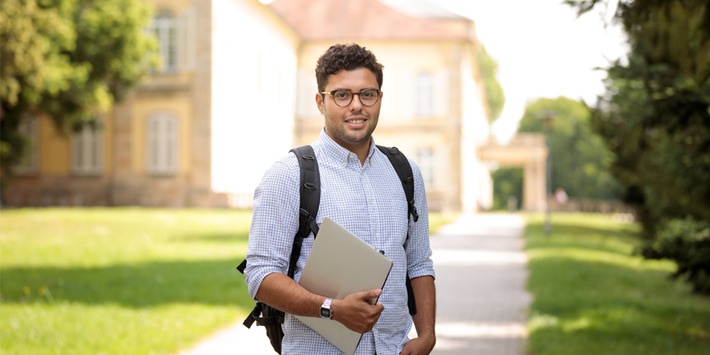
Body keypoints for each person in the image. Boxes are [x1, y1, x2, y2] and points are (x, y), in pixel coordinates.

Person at [244, 43, 436, 354]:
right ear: (320, 102)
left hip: (395, 348)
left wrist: (427, 334)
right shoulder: (289, 175)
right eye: (342, 95)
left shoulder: (406, 172)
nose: (356, 105)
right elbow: (261, 274)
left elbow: (418, 262)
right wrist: (332, 309)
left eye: (367, 94)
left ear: (380, 99)